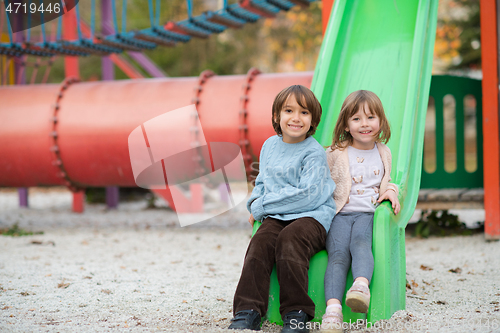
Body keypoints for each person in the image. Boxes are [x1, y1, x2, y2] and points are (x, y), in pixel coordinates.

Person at [229, 85, 336, 333]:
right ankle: (248, 311)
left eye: (304, 112)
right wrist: (254, 204)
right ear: (277, 116)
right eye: (289, 110)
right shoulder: (269, 146)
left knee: (290, 239)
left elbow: (307, 196)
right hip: (277, 216)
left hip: (312, 216)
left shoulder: (314, 152)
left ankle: (296, 313)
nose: (296, 118)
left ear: (313, 120)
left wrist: (263, 206)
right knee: (259, 244)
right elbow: (262, 183)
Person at [320, 90, 400, 332]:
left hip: (367, 214)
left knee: (361, 245)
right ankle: (333, 311)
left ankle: (360, 287)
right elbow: (320, 181)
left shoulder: (383, 152)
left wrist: (392, 192)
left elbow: (387, 181)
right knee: (337, 255)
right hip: (339, 214)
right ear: (346, 123)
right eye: (356, 119)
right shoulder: (335, 152)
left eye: (371, 117)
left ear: (381, 121)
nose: (364, 124)